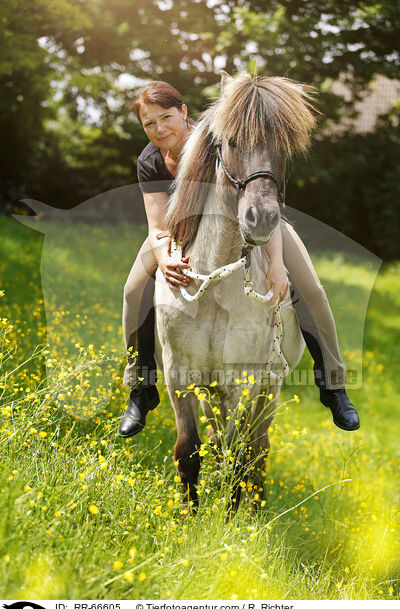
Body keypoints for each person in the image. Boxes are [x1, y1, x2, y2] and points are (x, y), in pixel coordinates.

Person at [119, 79, 360, 438]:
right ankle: (141, 387)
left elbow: (265, 198)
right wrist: (165, 258)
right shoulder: (149, 160)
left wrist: (276, 264)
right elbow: (157, 224)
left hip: (250, 219)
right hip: (178, 231)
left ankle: (333, 384)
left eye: (166, 117)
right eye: (149, 124)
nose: (159, 129)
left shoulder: (218, 138)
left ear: (183, 112)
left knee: (311, 289)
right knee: (133, 289)